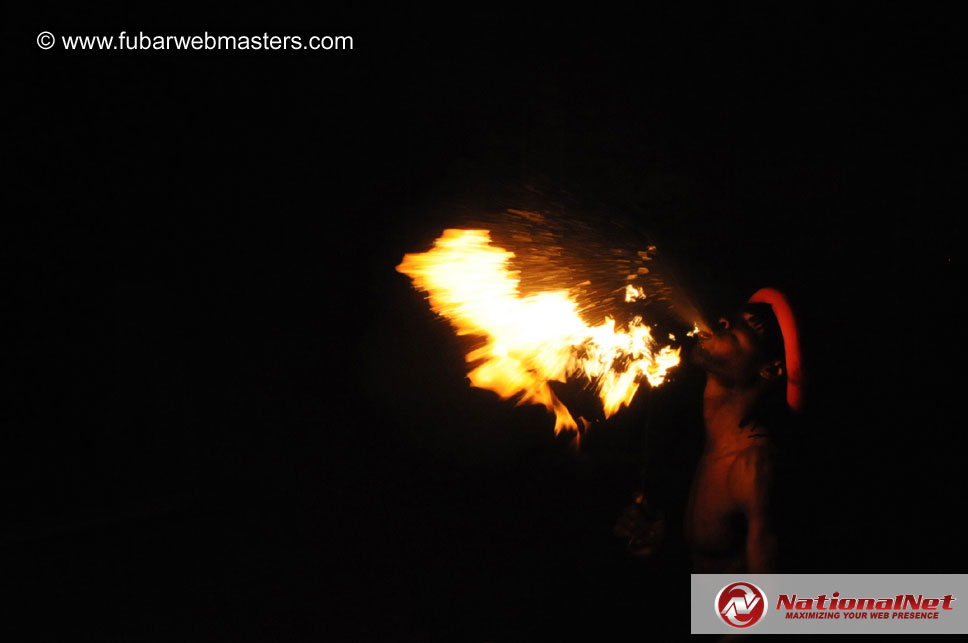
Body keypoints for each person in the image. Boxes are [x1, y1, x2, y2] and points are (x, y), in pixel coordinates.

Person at [614, 288, 804, 573]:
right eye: (731, 317)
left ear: (772, 369)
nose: (724, 322)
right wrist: (657, 548)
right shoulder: (693, 443)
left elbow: (770, 609)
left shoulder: (755, 469)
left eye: (751, 326)